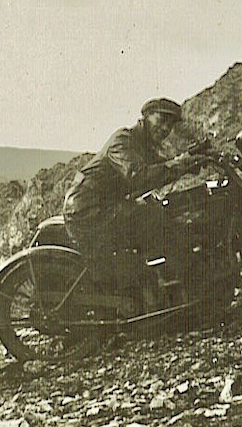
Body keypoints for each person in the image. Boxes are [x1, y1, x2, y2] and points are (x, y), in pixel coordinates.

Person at [62, 97, 206, 310]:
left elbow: (162, 168)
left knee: (165, 212)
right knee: (157, 221)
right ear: (146, 117)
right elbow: (139, 175)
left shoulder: (144, 145)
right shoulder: (123, 140)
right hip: (89, 211)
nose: (166, 128)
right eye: (162, 119)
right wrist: (179, 164)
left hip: (101, 207)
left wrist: (191, 159)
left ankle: (179, 289)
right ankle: (181, 296)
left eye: (171, 124)